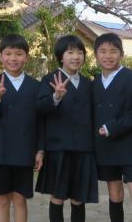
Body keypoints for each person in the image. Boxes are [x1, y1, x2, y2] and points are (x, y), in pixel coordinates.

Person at [91, 33, 132, 222]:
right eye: (103, 51)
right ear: (96, 55)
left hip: (131, 148)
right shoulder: (94, 83)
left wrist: (112, 127)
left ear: (121, 54)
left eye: (113, 51)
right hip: (106, 148)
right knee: (115, 195)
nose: (108, 56)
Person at [0, 34, 44, 222]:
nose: (13, 58)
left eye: (18, 54)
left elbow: (41, 122)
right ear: (1, 56)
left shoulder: (36, 86)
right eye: (8, 54)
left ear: (26, 56)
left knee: (20, 199)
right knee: (2, 199)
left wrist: (40, 150)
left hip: (25, 151)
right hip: (0, 151)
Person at [36, 35, 98, 222]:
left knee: (79, 198)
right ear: (61, 56)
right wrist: (56, 96)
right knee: (58, 197)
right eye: (70, 52)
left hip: (84, 149)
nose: (76, 57)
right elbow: (40, 109)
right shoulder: (49, 79)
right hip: (59, 148)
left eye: (80, 53)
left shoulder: (87, 83)